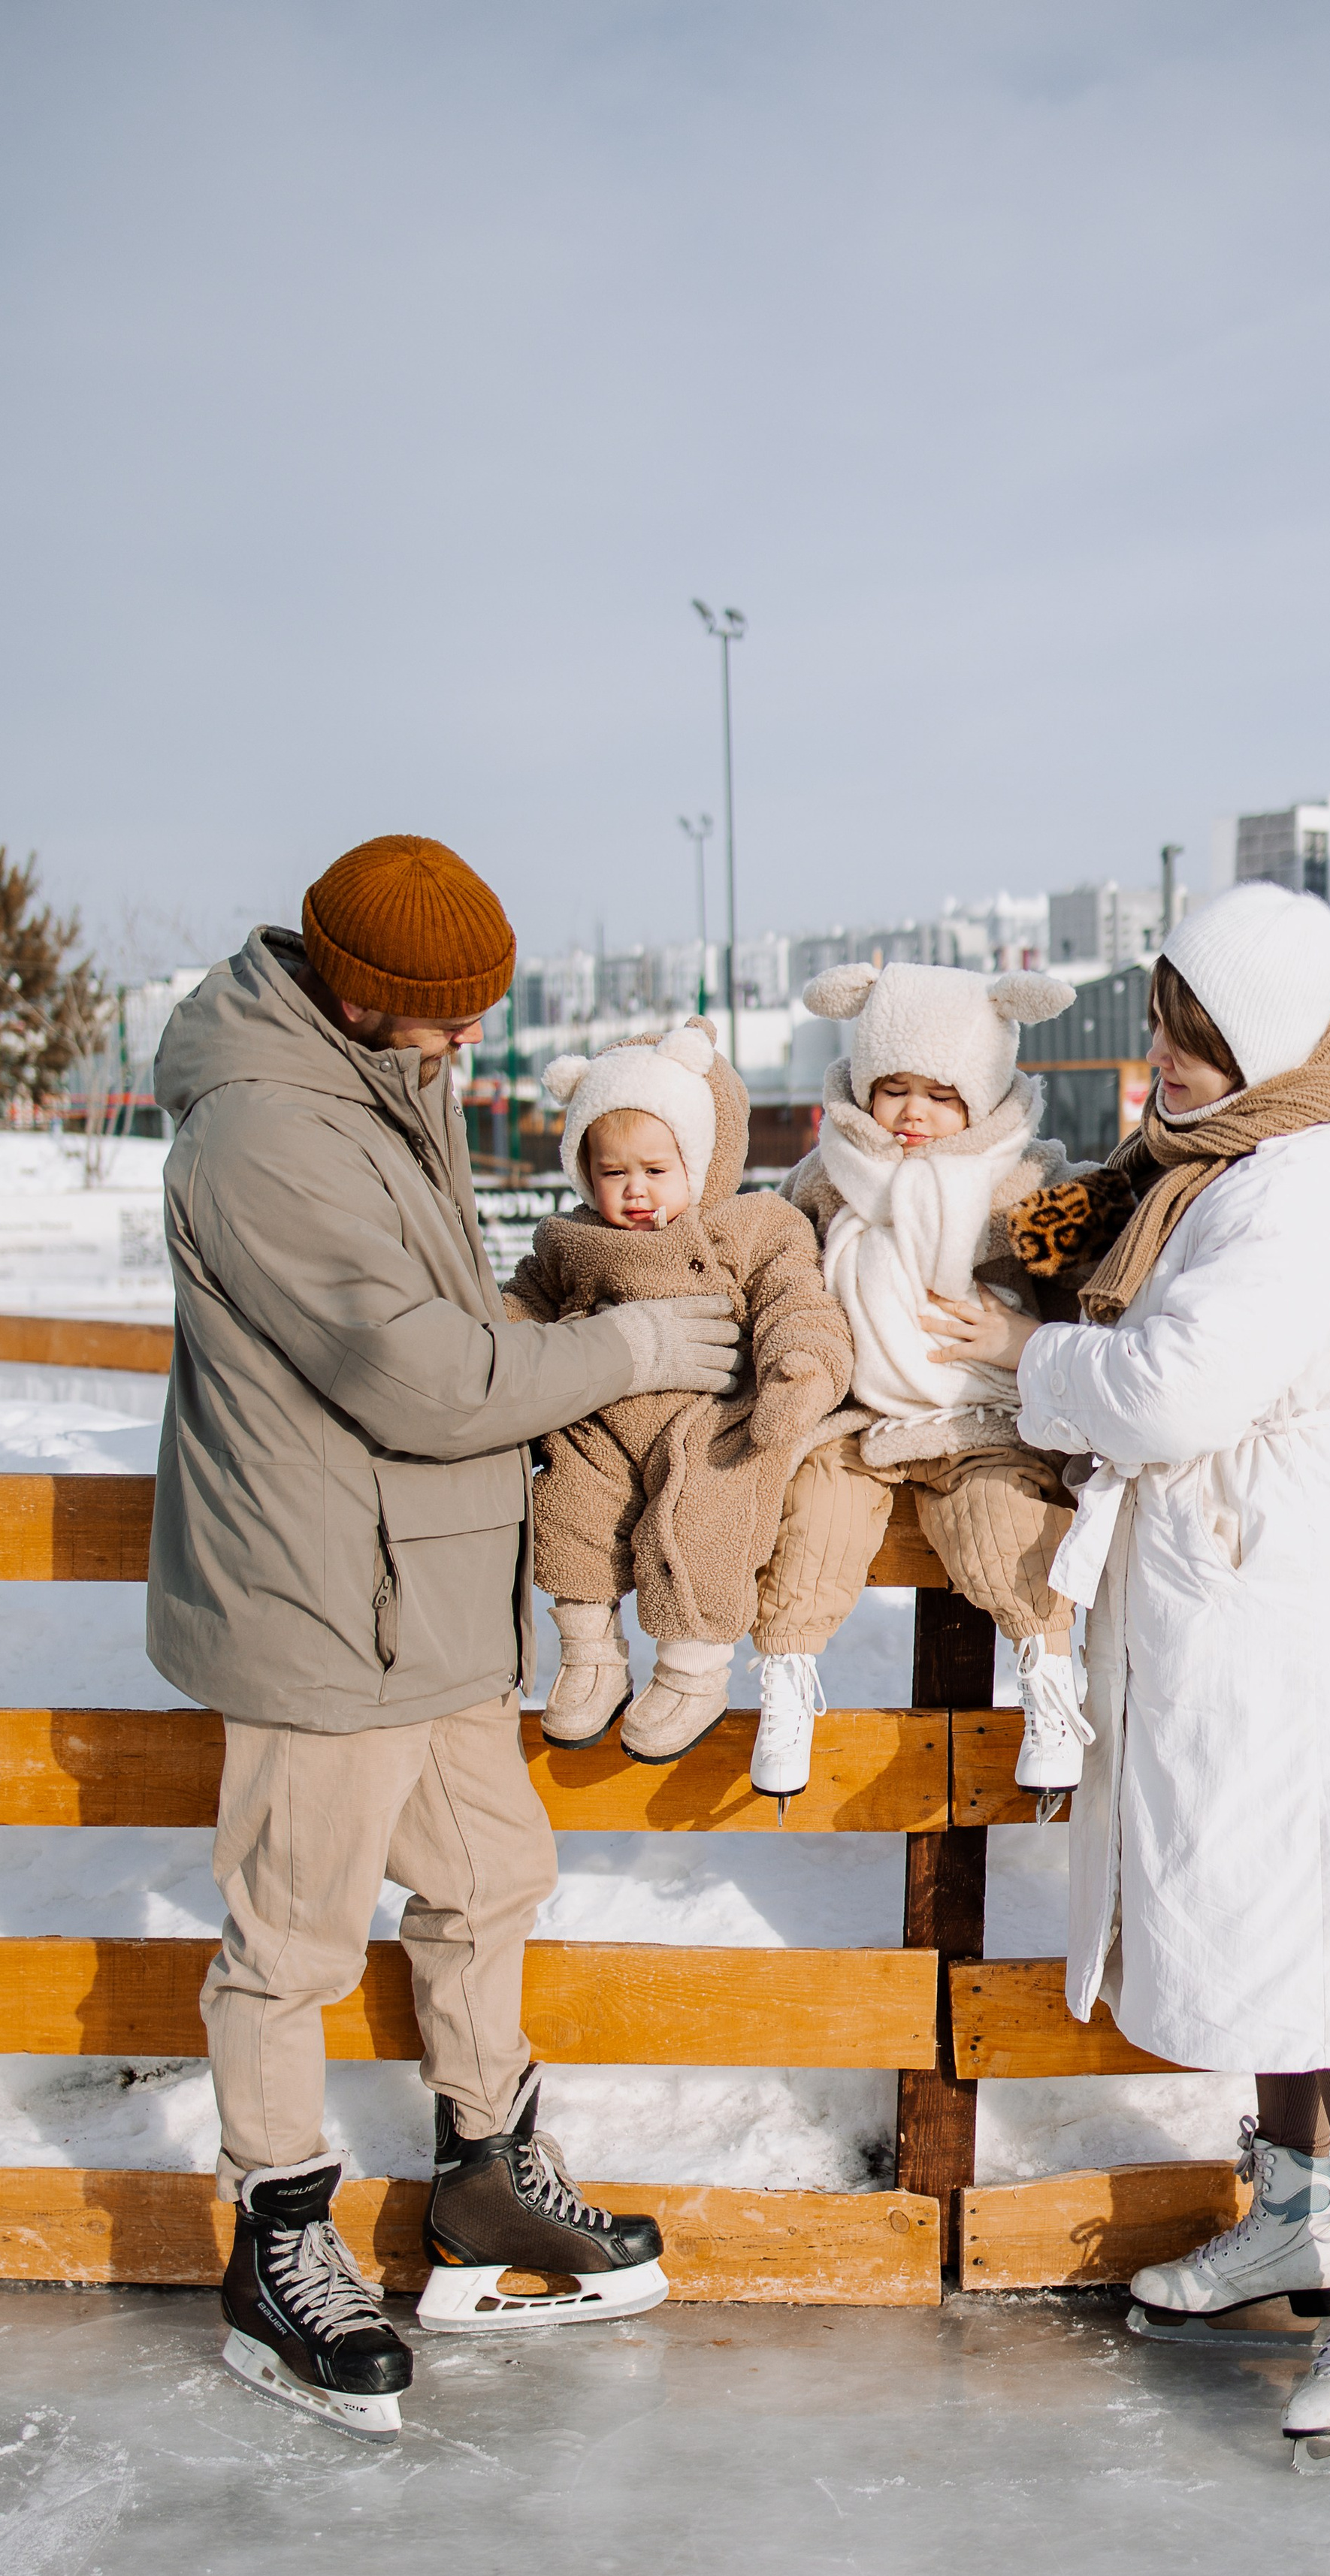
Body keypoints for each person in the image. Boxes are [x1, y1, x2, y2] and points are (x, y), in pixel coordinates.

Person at [147, 833, 745, 2436]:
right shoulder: (266, 1133)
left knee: (489, 1877)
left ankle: (483, 2185)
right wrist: (625, 1345)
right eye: (450, 1017)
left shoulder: (370, 1086)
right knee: (290, 1942)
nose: (469, 1042)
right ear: (363, 992)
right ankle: (277, 2248)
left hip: (431, 1592)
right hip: (318, 1599)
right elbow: (413, 1375)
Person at [924, 881, 1330, 2455]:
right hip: (1243, 1578)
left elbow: (1168, 1391)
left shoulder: (1301, 1183)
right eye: (1160, 1025)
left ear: (1266, 1043)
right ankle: (1292, 2215)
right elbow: (1129, 1313)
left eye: (1193, 1038)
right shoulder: (1228, 1157)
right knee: (1259, 1907)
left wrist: (1021, 1360)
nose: (1158, 1060)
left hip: (1305, 1591)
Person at [756, 955, 1110, 1804]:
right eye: (894, 1087)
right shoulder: (826, 1175)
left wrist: (1045, 1323)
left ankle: (1049, 1687)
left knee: (1008, 1532)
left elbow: (1093, 1267)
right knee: (813, 1522)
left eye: (942, 1095)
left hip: (978, 1417)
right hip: (860, 1417)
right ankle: (785, 1689)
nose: (914, 1112)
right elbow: (774, 1260)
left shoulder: (1019, 1180)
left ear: (981, 1096)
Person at [504, 1018, 854, 1768]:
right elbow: (519, 1312)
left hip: (709, 1420)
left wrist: (801, 1368)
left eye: (656, 1171)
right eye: (611, 1173)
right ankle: (590, 1655)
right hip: (595, 1421)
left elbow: (795, 1299)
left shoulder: (751, 1225)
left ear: (700, 1158)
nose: (633, 1193)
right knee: (565, 1501)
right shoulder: (569, 1242)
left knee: (707, 1515)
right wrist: (489, 1344)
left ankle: (691, 1672)